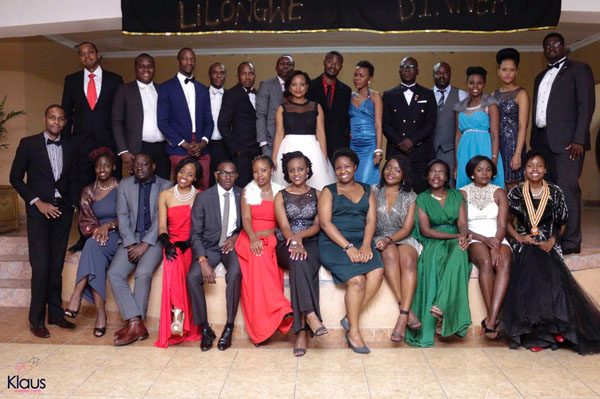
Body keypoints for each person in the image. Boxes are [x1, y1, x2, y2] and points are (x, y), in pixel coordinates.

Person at [499, 151, 600, 354]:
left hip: (549, 243)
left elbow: (562, 223)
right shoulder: (516, 193)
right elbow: (506, 223)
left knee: (553, 273)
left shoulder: (555, 191)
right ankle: (537, 334)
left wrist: (553, 240)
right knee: (532, 270)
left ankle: (559, 329)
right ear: (525, 170)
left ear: (545, 169)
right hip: (526, 244)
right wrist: (519, 238)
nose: (534, 169)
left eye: (539, 165)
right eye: (530, 165)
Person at [10, 104, 79, 338]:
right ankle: (36, 320)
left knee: (56, 265)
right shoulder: (28, 144)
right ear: (45, 119)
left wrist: (73, 202)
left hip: (62, 212)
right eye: (52, 118)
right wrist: (37, 202)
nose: (56, 122)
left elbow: (74, 177)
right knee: (41, 267)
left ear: (65, 122)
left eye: (61, 119)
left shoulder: (70, 145)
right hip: (39, 212)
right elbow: (15, 178)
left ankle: (56, 315)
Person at [530, 32, 595, 255]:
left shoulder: (579, 69)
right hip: (542, 142)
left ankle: (571, 242)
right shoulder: (540, 76)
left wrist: (578, 139)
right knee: (548, 193)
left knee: (567, 191)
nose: (551, 47)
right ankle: (553, 236)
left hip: (568, 144)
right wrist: (534, 145)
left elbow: (585, 105)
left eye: (555, 43)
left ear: (564, 46)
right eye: (546, 45)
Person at [318, 148, 384, 354]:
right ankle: (354, 332)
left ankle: (349, 318)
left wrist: (365, 245)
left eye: (347, 166)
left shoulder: (367, 189)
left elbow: (372, 220)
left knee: (377, 272)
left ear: (355, 167)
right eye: (338, 168)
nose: (342, 171)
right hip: (335, 242)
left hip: (361, 239)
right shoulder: (328, 191)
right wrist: (348, 247)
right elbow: (325, 223)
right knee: (357, 281)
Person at [61, 41, 123, 252]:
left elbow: (119, 115)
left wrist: (121, 146)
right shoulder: (71, 80)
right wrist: (67, 145)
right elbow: (66, 115)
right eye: (82, 54)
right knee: (83, 190)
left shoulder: (115, 80)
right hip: (81, 145)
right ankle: (84, 236)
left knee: (115, 189)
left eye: (90, 53)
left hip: (108, 142)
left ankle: (117, 231)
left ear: (98, 54)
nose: (87, 57)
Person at [108, 153, 172, 346]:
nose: (140, 168)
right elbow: (122, 215)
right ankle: (136, 322)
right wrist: (130, 243)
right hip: (131, 239)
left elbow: (162, 217)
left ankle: (135, 326)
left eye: (145, 164)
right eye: (136, 165)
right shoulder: (125, 185)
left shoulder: (165, 186)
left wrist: (145, 243)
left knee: (143, 273)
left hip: (154, 239)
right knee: (114, 273)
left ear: (153, 166)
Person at [405, 159, 471, 348]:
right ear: (427, 176)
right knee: (435, 260)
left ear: (447, 177)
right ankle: (441, 308)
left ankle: (441, 305)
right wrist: (455, 237)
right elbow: (426, 230)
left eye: (441, 172)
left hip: (455, 236)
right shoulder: (422, 199)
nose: (436, 175)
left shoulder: (456, 196)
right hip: (434, 240)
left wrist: (463, 235)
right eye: (432, 172)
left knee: (460, 251)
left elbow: (462, 223)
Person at [234, 155, 293, 345]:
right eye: (255, 171)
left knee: (263, 268)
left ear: (271, 171)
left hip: (271, 239)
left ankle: (267, 323)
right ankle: (281, 308)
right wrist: (252, 238)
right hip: (250, 238)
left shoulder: (280, 192)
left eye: (264, 170)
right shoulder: (247, 191)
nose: (259, 175)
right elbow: (246, 219)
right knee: (258, 258)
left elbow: (283, 222)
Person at [274, 151, 327, 357]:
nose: (296, 173)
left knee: (300, 263)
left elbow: (318, 225)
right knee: (296, 257)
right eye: (292, 170)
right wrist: (294, 241)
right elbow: (285, 227)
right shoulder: (281, 195)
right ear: (287, 173)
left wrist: (301, 238)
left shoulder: (319, 194)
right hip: (285, 242)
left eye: (300, 169)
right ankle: (311, 315)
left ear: (307, 171)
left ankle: (302, 331)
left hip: (311, 240)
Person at [64, 147, 119, 338]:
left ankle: (76, 295)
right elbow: (85, 220)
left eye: (106, 165)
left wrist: (110, 226)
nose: (102, 169)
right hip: (97, 234)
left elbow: (129, 217)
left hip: (118, 234)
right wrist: (98, 230)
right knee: (93, 247)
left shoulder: (123, 188)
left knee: (92, 247)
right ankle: (101, 314)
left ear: (113, 167)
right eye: (98, 166)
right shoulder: (88, 191)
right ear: (94, 168)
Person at [188, 160, 243, 351]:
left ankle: (229, 326)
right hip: (209, 247)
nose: (228, 177)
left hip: (231, 246)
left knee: (235, 273)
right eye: (224, 173)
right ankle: (204, 328)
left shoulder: (241, 194)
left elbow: (247, 224)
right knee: (192, 277)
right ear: (216, 175)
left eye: (232, 173)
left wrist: (236, 237)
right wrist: (202, 260)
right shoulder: (203, 197)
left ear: (236, 176)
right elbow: (194, 232)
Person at [459, 155, 511, 339]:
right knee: (486, 261)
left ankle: (490, 321)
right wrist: (486, 241)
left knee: (504, 261)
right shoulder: (462, 193)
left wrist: (495, 244)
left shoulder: (499, 192)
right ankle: (494, 318)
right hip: (474, 237)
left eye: (488, 169)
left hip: (497, 237)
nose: (484, 173)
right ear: (472, 173)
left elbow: (503, 225)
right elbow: (463, 226)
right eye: (479, 170)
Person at [373, 154, 422, 342]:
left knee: (409, 260)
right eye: (388, 167)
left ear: (404, 174)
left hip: (403, 236)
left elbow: (407, 228)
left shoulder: (411, 196)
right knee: (389, 254)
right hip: (379, 236)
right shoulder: (373, 191)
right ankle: (406, 310)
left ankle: (402, 316)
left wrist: (390, 238)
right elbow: (370, 221)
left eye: (397, 169)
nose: (391, 172)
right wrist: (384, 240)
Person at [154, 157, 202, 348]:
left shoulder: (200, 196)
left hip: (191, 243)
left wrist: (188, 242)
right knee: (172, 264)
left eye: (190, 174)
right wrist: (167, 243)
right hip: (172, 241)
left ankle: (179, 315)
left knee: (187, 273)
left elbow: (200, 228)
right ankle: (178, 314)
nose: (184, 176)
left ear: (195, 178)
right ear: (177, 172)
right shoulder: (165, 195)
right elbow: (162, 226)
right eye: (182, 172)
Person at [157, 47, 214, 190]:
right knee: (181, 190)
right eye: (185, 58)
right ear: (179, 61)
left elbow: (209, 121)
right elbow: (162, 122)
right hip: (179, 148)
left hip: (202, 147)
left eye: (192, 59)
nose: (189, 62)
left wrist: (203, 143)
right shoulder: (166, 87)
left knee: (203, 190)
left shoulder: (202, 89)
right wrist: (184, 144)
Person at [271, 70, 335, 190]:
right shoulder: (282, 108)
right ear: (289, 88)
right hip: (288, 147)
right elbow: (279, 134)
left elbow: (320, 133)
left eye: (302, 84)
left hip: (312, 149)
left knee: (316, 185)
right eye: (294, 84)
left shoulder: (316, 107)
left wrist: (324, 158)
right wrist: (274, 158)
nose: (298, 88)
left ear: (307, 87)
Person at [383, 57, 437, 194]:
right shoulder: (389, 94)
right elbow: (385, 122)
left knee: (420, 190)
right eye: (404, 67)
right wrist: (400, 142)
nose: (407, 70)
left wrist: (412, 141)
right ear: (399, 70)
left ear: (417, 71)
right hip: (396, 151)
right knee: (395, 190)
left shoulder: (428, 94)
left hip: (420, 152)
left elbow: (431, 123)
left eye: (411, 67)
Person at [112, 53, 170, 180]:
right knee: (140, 187)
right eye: (141, 66)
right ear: (135, 69)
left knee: (162, 185)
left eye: (150, 66)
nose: (146, 70)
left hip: (162, 149)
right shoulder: (124, 90)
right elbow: (116, 122)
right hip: (138, 148)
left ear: (154, 69)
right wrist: (123, 151)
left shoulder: (162, 89)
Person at [454, 67, 504, 189]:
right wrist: (457, 163)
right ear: (467, 84)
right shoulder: (460, 107)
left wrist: (494, 160)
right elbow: (457, 136)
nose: (475, 86)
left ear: (484, 84)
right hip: (464, 152)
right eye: (471, 82)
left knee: (488, 187)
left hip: (484, 149)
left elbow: (494, 134)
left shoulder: (490, 104)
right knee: (465, 187)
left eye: (479, 83)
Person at [218, 62, 261, 188]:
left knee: (257, 188)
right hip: (241, 153)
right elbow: (222, 123)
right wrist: (236, 149)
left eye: (251, 73)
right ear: (238, 76)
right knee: (241, 188)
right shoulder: (231, 94)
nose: (248, 77)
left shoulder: (259, 94)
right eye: (244, 73)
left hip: (258, 152)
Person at [493, 48, 529, 189]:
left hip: (513, 145)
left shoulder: (521, 94)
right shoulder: (493, 95)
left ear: (516, 72)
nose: (507, 73)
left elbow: (522, 126)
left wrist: (518, 154)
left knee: (512, 188)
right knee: (497, 186)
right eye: (504, 69)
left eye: (511, 70)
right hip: (496, 146)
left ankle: (514, 213)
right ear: (498, 71)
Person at [307, 51, 352, 162]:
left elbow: (346, 117)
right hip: (315, 141)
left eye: (337, 63)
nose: (333, 66)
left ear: (341, 67)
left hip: (338, 145)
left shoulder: (346, 90)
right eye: (330, 61)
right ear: (324, 62)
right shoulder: (310, 86)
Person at [431, 61, 468, 185]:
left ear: (450, 74)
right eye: (438, 73)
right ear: (433, 75)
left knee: (452, 184)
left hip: (452, 151)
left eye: (445, 72)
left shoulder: (461, 95)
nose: (442, 75)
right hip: (430, 150)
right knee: (431, 185)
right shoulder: (426, 95)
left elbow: (465, 124)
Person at [349, 60, 383, 185]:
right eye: (355, 75)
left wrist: (378, 150)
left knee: (366, 181)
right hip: (352, 145)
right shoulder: (349, 96)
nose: (357, 78)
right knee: (353, 179)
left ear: (369, 78)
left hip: (370, 146)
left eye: (361, 75)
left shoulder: (375, 96)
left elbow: (378, 124)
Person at [256, 54, 295, 157]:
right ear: (276, 68)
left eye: (289, 64)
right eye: (282, 64)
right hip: (271, 141)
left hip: (292, 141)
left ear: (293, 68)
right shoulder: (267, 85)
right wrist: (263, 142)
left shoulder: (297, 87)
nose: (286, 66)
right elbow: (261, 114)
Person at [206, 62, 229, 186]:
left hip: (225, 145)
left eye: (222, 73)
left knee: (224, 179)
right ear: (209, 75)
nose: (219, 76)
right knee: (206, 179)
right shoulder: (201, 94)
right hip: (205, 144)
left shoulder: (231, 95)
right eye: (215, 72)